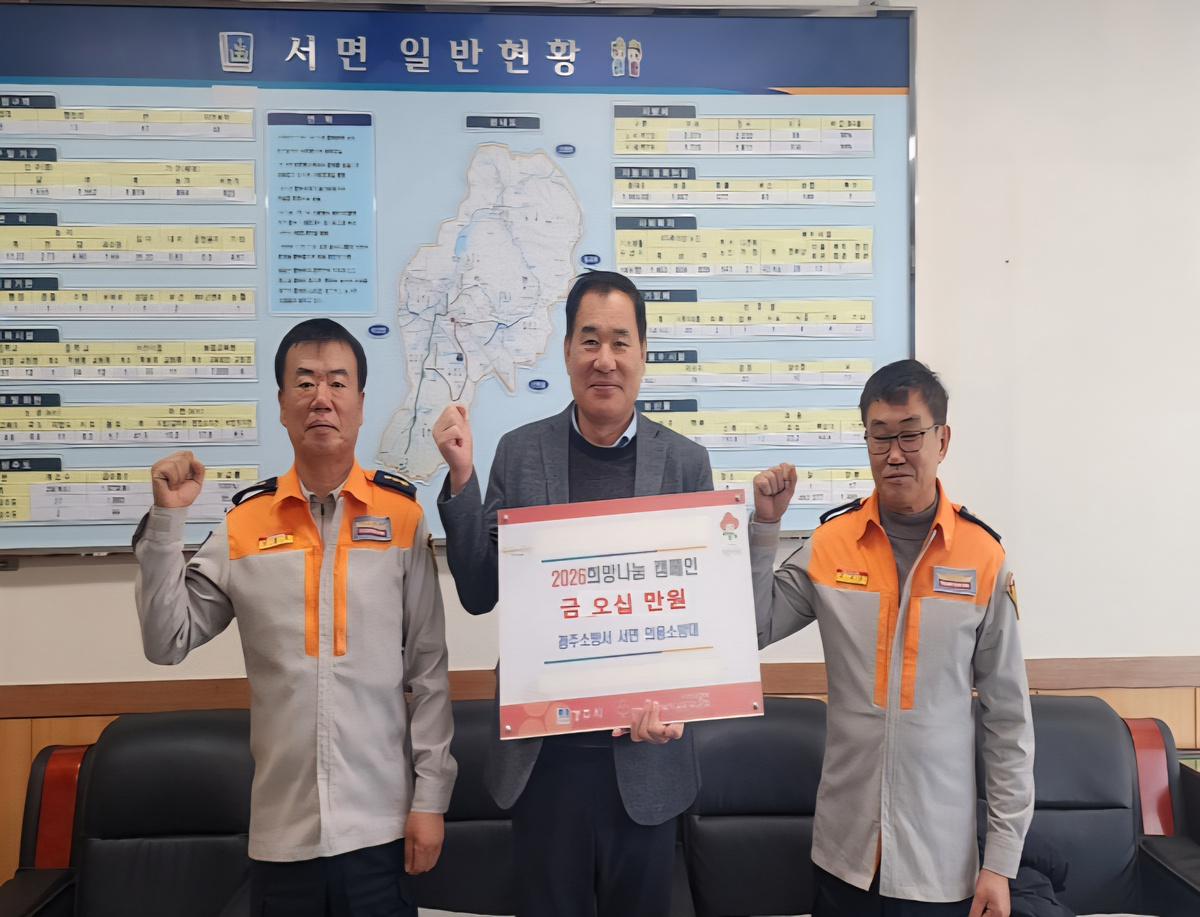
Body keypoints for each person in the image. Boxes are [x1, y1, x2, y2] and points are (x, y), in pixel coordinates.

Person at [133, 319, 455, 917]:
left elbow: (428, 672)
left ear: (361, 402)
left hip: (382, 829)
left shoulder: (403, 519)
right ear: (282, 404)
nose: (321, 398)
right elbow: (165, 641)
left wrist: (431, 798)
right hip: (281, 835)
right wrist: (167, 522)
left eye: (338, 382)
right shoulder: (243, 525)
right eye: (304, 383)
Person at [432, 270, 712, 917]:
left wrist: (684, 696)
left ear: (643, 353)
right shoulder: (519, 452)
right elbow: (478, 591)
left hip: (645, 756)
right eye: (589, 340)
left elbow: (697, 609)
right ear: (565, 352)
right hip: (545, 761)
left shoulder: (685, 463)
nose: (604, 359)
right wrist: (462, 478)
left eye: (620, 341)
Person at [751, 359, 1033, 917]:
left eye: (910, 434)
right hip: (844, 851)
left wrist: (1001, 861)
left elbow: (1008, 720)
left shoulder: (983, 557)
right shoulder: (832, 544)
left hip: (939, 860)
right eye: (879, 436)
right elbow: (755, 627)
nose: (894, 453)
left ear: (942, 440)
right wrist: (765, 528)